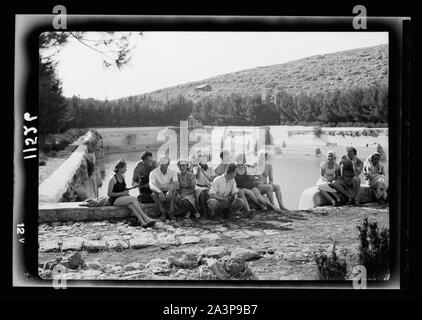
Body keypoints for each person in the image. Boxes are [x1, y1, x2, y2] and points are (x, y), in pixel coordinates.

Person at [107, 159, 156, 228]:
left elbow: (124, 189)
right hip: (115, 200)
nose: (126, 170)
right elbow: (109, 194)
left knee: (132, 206)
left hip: (123, 198)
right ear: (120, 168)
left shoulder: (122, 176)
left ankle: (143, 222)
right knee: (133, 199)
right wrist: (122, 193)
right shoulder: (113, 179)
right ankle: (146, 218)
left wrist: (132, 187)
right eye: (125, 168)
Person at [149, 156, 179, 220]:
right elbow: (151, 185)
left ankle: (171, 211)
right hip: (159, 190)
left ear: (168, 164)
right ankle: (163, 212)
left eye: (165, 163)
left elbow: (176, 184)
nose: (163, 165)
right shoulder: (153, 172)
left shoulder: (173, 172)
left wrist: (170, 190)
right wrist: (159, 191)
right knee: (154, 194)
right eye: (161, 163)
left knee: (173, 192)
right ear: (159, 163)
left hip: (169, 191)